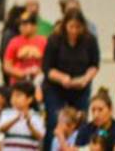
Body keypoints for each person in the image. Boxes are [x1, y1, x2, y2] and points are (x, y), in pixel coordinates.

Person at [42, 9, 101, 149]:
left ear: (83, 27)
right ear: (65, 25)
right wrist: (63, 78)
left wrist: (86, 78)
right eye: (71, 27)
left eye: (78, 27)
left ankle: (77, 147)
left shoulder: (89, 40)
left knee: (81, 120)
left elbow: (95, 64)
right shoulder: (55, 39)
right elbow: (46, 68)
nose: (74, 31)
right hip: (56, 87)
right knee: (55, 121)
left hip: (80, 86)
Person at [0, 81, 45, 150]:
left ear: (29, 99)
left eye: (18, 95)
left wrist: (29, 124)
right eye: (13, 95)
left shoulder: (36, 116)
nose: (14, 98)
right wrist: (15, 119)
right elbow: (1, 129)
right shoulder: (6, 113)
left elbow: (40, 136)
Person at [4, 10, 48, 85]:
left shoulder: (44, 42)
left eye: (25, 24)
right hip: (18, 83)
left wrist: (39, 72)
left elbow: (48, 64)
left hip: (39, 82)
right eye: (20, 24)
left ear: (35, 26)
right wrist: (21, 74)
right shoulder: (14, 41)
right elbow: (7, 66)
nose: (21, 27)